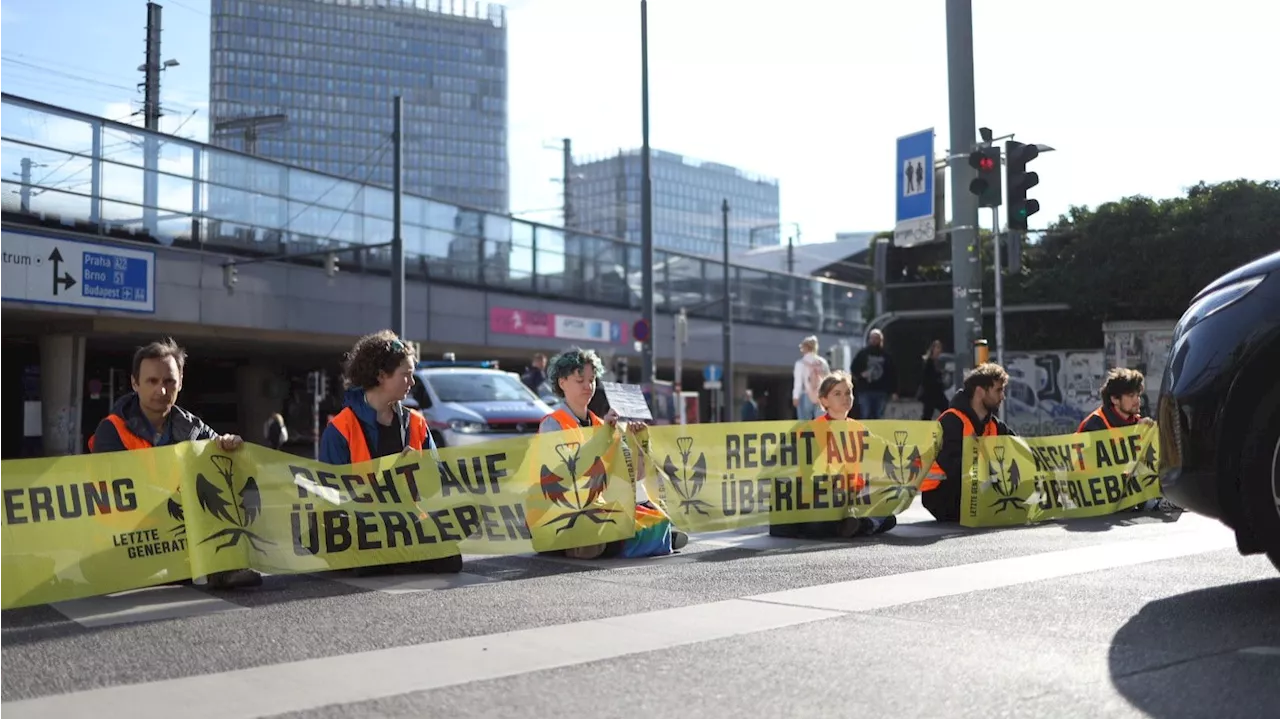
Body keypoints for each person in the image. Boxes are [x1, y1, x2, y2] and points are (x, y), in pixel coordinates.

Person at [89, 338, 261, 590]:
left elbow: (226, 469)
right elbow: (111, 495)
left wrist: (229, 446)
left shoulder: (193, 427)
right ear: (134, 383)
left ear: (180, 381)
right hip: (127, 540)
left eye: (169, 381)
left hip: (176, 535)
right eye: (152, 381)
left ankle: (221, 565)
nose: (161, 390)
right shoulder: (111, 430)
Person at [319, 330, 462, 575]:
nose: (412, 382)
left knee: (452, 557)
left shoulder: (416, 423)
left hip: (405, 522)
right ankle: (396, 557)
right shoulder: (341, 428)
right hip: (359, 523)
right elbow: (330, 492)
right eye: (406, 375)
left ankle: (388, 558)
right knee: (323, 536)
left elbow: (433, 486)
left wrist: (422, 466)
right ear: (381, 376)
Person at [538, 347, 688, 559]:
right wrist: (603, 437)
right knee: (601, 526)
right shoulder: (553, 423)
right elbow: (562, 474)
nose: (588, 386)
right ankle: (636, 540)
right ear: (562, 383)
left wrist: (640, 442)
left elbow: (633, 476)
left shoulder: (602, 424)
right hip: (564, 509)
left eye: (591, 380)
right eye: (580, 381)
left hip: (600, 505)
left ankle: (627, 539)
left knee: (655, 517)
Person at [769, 372, 897, 538]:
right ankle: (857, 524)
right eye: (837, 393)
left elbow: (885, 448)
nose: (845, 397)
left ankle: (856, 523)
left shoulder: (858, 428)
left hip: (853, 496)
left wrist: (915, 451)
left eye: (848, 393)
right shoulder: (811, 430)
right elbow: (808, 473)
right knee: (821, 522)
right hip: (822, 497)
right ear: (824, 400)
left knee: (889, 518)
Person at [922, 362, 1017, 523]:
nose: (1003, 397)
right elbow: (953, 467)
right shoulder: (951, 421)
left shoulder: (994, 424)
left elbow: (1021, 449)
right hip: (941, 496)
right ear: (980, 391)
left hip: (970, 494)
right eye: (998, 390)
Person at [1077, 368, 1180, 514]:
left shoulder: (1136, 421)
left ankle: (1158, 499)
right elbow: (1095, 466)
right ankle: (1150, 503)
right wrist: (1133, 438)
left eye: (1138, 395)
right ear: (1114, 399)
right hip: (1093, 493)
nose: (1137, 400)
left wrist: (1147, 434)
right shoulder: (1094, 424)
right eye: (1131, 396)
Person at [851, 329, 898, 420]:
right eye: (872, 338)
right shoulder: (862, 354)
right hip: (865, 390)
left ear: (881, 340)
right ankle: (865, 434)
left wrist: (894, 391)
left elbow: (892, 373)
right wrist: (861, 374)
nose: (874, 340)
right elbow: (853, 368)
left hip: (881, 390)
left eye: (877, 338)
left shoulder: (886, 356)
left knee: (879, 416)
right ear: (869, 339)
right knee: (865, 414)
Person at [792, 335, 830, 420]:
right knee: (821, 422)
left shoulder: (800, 363)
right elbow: (828, 380)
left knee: (805, 424)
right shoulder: (823, 362)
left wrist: (795, 397)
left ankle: (806, 433)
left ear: (805, 347)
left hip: (806, 395)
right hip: (821, 395)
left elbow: (798, 383)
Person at [918, 340, 949, 420]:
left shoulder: (938, 362)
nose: (939, 350)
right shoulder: (929, 362)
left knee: (946, 410)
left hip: (937, 392)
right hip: (930, 393)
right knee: (927, 414)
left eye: (940, 348)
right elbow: (926, 378)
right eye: (937, 348)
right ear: (933, 349)